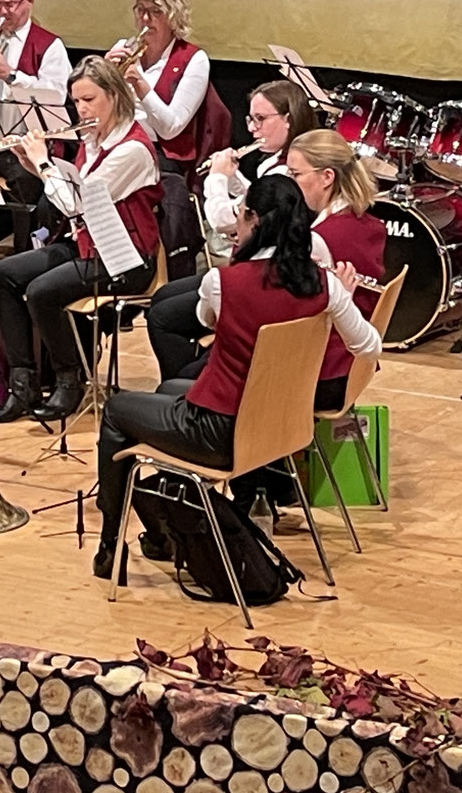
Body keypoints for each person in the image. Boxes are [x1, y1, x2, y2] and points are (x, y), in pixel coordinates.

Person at [92, 174, 380, 582]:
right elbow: (369, 347)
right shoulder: (326, 286)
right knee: (172, 389)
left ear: (256, 221)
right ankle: (166, 526)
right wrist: (341, 305)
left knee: (118, 410)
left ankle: (112, 545)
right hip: (282, 430)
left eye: (242, 215)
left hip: (222, 434)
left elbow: (203, 319)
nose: (237, 225)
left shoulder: (220, 282)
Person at [0, 56, 163, 425]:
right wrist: (29, 163)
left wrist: (43, 164)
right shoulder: (92, 138)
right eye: (77, 102)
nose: (81, 109)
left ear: (115, 97)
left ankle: (71, 380)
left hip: (125, 256)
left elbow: (76, 205)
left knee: (41, 291)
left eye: (89, 100)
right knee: (4, 274)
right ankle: (23, 384)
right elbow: (70, 192)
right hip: (87, 245)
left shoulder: (132, 149)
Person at [146, 78, 318, 382]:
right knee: (164, 298)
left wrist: (215, 179)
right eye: (250, 118)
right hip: (259, 267)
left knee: (163, 315)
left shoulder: (288, 169)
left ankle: (191, 388)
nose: (252, 128)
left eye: (261, 119)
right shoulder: (274, 163)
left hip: (265, 274)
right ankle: (194, 377)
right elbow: (253, 201)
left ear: (289, 120)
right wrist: (233, 175)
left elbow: (228, 221)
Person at [284, 129, 388, 400]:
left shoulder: (320, 239)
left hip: (325, 371)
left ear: (327, 177)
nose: (290, 182)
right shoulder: (368, 223)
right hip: (354, 365)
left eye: (295, 174)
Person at [108, 0, 222, 171]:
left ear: (173, 17)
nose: (145, 19)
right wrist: (101, 75)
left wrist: (139, 83)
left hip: (160, 154)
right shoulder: (123, 48)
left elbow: (170, 129)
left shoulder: (194, 59)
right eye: (141, 10)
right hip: (116, 144)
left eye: (155, 11)